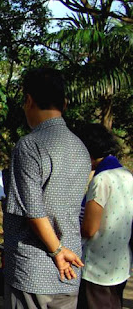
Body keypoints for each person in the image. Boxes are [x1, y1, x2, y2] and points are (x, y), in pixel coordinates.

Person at [3, 68, 91, 309]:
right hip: (70, 271)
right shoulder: (80, 147)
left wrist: (57, 251)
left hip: (35, 268)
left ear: (29, 100)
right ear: (64, 103)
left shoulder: (30, 145)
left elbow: (34, 211)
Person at [75, 123, 133, 309]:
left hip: (97, 269)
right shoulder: (126, 174)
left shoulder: (101, 180)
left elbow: (89, 229)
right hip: (119, 264)